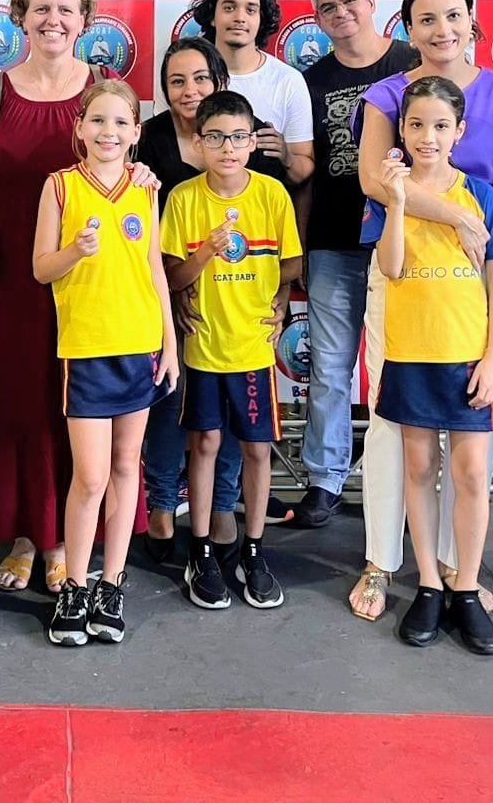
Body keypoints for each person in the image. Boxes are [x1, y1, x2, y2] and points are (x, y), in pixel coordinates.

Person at [0, 0, 146, 595]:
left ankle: (66, 540)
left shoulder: (103, 88)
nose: (53, 20)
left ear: (85, 20)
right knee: (21, 400)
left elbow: (123, 172)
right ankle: (26, 533)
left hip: (87, 273)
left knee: (72, 402)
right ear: (21, 16)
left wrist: (144, 178)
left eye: (66, 10)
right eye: (41, 9)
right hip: (10, 267)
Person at [352, 0, 493, 622]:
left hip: (479, 272)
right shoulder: (386, 94)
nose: (442, 29)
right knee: (392, 424)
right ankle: (382, 561)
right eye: (426, 19)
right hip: (402, 267)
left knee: (468, 428)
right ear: (408, 29)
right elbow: (376, 181)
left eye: (453, 15)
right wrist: (456, 217)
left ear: (472, 18)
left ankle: (458, 569)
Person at [363, 76, 493, 656]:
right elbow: (392, 267)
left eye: (440, 126)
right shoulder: (389, 193)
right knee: (419, 469)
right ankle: (429, 581)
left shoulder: (480, 195)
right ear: (401, 131)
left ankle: (466, 585)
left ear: (460, 131)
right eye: (416, 125)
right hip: (410, 356)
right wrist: (399, 201)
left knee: (472, 473)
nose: (428, 137)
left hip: (467, 358)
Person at [33, 80, 179, 646]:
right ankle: (74, 585)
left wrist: (169, 342)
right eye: (97, 120)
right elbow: (41, 269)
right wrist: (76, 251)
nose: (108, 132)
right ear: (79, 128)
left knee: (125, 470)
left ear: (136, 132)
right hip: (87, 349)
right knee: (90, 477)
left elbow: (154, 269)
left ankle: (111, 586)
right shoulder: (60, 186)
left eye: (120, 122)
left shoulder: (145, 188)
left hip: (138, 345)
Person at [161, 91, 302, 611]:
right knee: (203, 445)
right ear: (198, 143)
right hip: (203, 347)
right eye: (216, 137)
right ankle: (200, 550)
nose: (228, 147)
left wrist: (281, 298)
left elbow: (291, 263)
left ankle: (254, 552)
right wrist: (204, 253)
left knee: (257, 451)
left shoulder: (272, 194)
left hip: (254, 349)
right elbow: (172, 277)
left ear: (252, 143)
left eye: (239, 137)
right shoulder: (183, 199)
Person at [294, 0, 418, 529]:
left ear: (371, 2)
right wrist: (300, 245)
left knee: (405, 362)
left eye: (350, 0)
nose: (341, 12)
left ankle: (407, 482)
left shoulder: (412, 64)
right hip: (333, 239)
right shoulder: (311, 81)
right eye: (328, 7)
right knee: (329, 365)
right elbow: (307, 172)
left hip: (405, 237)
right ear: (317, 20)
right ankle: (325, 479)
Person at [137, 37, 261, 564]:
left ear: (220, 82)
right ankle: (162, 502)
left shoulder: (244, 134)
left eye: (201, 78)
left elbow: (267, 219)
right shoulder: (147, 139)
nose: (190, 90)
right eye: (177, 81)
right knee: (169, 402)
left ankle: (223, 504)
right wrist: (175, 293)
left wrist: (277, 298)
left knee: (227, 410)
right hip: (164, 291)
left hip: (231, 306)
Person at [191, 0, 313, 187]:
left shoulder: (288, 80)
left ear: (260, 18)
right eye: (229, 7)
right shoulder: (186, 77)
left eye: (250, 10)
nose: (240, 17)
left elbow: (304, 172)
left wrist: (286, 156)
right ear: (212, 16)